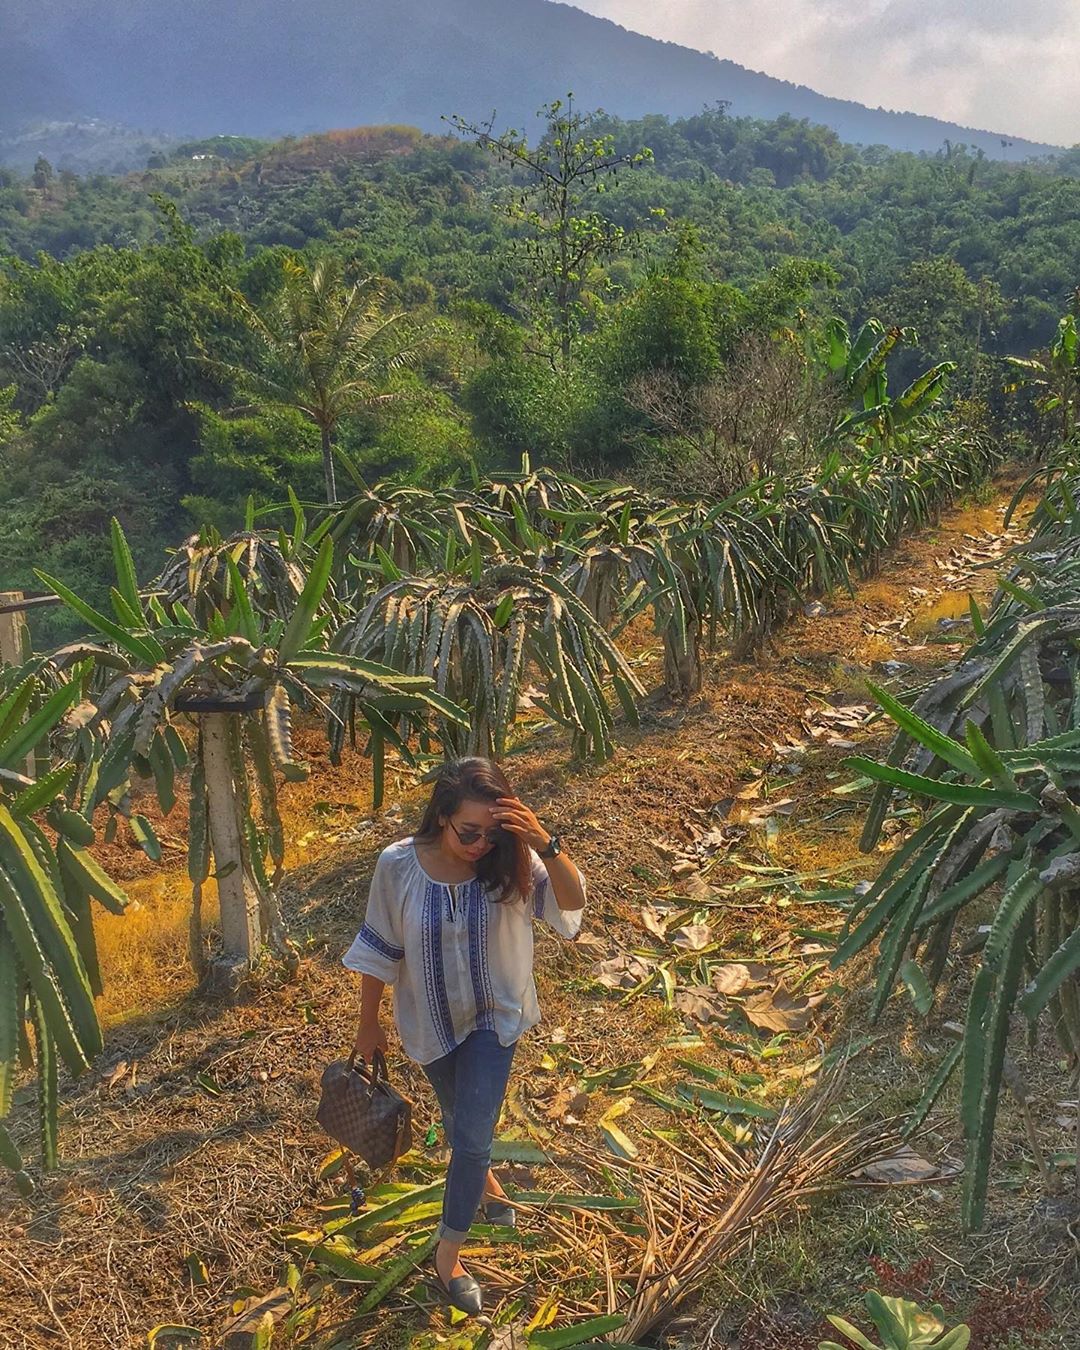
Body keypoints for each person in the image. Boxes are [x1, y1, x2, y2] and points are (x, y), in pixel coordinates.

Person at [343, 757, 587, 1315]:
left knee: (473, 1134)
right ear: (442, 816)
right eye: (468, 832)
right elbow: (380, 947)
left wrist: (544, 843)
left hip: (494, 1019)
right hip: (429, 1021)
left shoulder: (514, 858)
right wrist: (367, 1021)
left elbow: (571, 904)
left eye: (491, 832)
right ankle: (487, 1186)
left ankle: (447, 1255)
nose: (480, 844)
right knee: (457, 1118)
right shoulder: (399, 866)